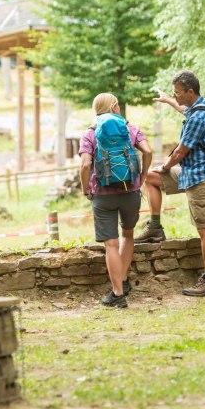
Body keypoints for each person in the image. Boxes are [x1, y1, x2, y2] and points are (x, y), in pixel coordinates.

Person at [134, 70, 205, 297]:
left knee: (204, 229)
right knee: (149, 178)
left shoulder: (199, 117)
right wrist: (168, 100)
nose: (177, 96)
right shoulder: (200, 106)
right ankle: (155, 227)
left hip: (201, 178)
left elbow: (181, 150)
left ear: (190, 92)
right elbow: (184, 109)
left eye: (178, 93)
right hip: (188, 173)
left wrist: (166, 166)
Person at [80, 93, 152, 308]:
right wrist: (143, 176)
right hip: (130, 192)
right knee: (127, 235)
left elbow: (85, 165)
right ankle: (122, 279)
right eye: (117, 105)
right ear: (113, 106)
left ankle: (118, 294)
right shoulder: (130, 128)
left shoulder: (90, 134)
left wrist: (86, 189)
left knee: (111, 244)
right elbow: (147, 151)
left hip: (103, 196)